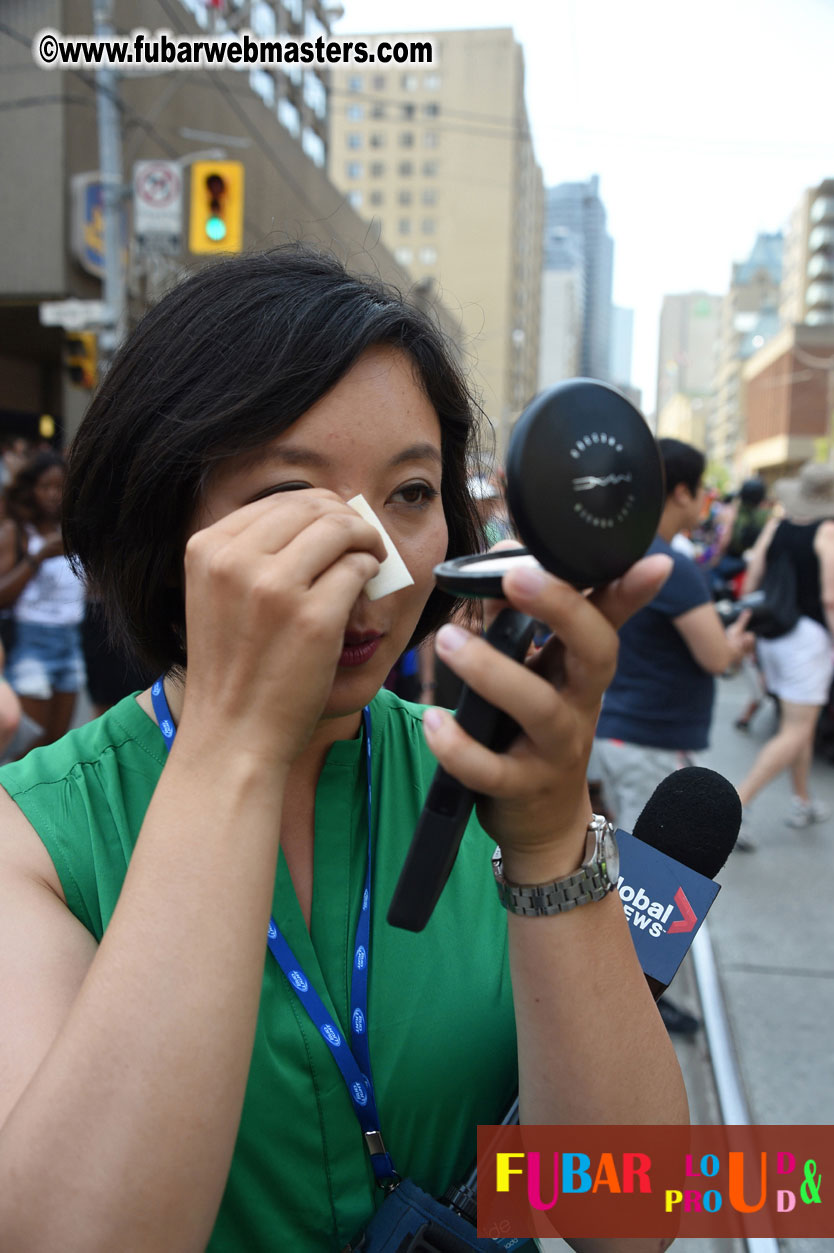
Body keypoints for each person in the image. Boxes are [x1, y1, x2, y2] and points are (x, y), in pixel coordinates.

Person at [0, 246, 686, 1252]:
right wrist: (235, 741)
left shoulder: (483, 779)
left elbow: (633, 1213)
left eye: (411, 492)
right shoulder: (35, 839)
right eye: (291, 493)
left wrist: (549, 843)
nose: (369, 557)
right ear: (163, 507)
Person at [594, 438, 753, 1036]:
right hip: (648, 738)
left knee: (633, 873)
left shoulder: (615, 549)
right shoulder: (675, 566)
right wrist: (740, 640)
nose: (707, 502)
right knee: (654, 891)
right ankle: (634, 1006)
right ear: (680, 491)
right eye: (703, 490)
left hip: (617, 728)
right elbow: (715, 656)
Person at [735, 461, 834, 846]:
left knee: (800, 726)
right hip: (807, 639)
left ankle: (803, 800)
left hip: (772, 634)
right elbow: (829, 597)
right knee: (795, 729)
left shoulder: (777, 526)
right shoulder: (826, 531)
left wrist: (746, 626)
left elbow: (753, 575)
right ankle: (739, 803)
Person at [0, 450, 86, 751]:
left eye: (60, 487)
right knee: (28, 748)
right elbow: (2, 595)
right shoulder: (18, 532)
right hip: (32, 642)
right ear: (30, 489)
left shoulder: (76, 530)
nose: (53, 495)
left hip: (71, 641)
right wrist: (40, 556)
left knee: (57, 748)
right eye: (45, 487)